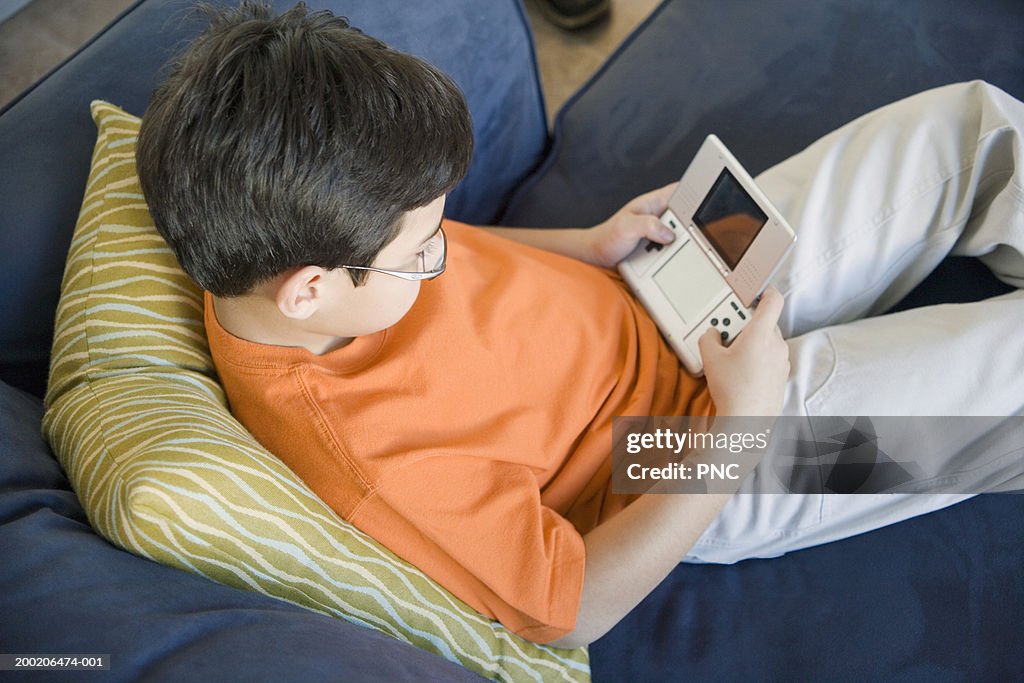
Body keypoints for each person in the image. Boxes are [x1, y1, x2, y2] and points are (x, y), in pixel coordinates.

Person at [135, 2, 1024, 648]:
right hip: (670, 454)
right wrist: (740, 424)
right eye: (422, 251)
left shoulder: (300, 238)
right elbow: (573, 610)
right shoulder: (369, 460)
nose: (444, 251)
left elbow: (450, 243)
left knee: (968, 130)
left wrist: (588, 245)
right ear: (310, 291)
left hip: (655, 290)